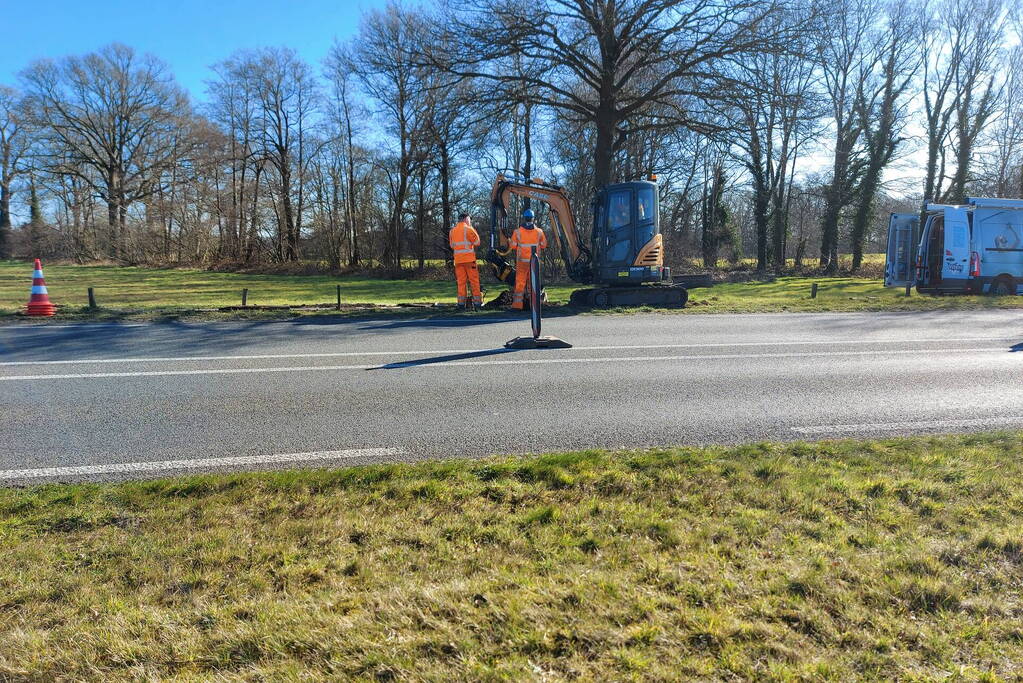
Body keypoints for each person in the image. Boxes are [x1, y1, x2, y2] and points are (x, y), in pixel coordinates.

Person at [506, 208, 547, 310]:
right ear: (533, 218)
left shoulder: (517, 232)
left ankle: (517, 306)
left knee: (520, 283)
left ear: (524, 218)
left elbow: (513, 246)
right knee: (533, 283)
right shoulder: (539, 232)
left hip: (522, 262)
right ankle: (533, 306)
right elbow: (544, 245)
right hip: (534, 262)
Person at [449, 212, 482, 310]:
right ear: (466, 219)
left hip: (458, 261)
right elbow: (477, 242)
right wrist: (472, 228)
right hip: (469, 260)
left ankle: (461, 304)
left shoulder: (452, 231)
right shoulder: (468, 229)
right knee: (474, 282)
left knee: (461, 283)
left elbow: (452, 246)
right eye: (469, 219)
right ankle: (477, 304)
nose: (470, 221)